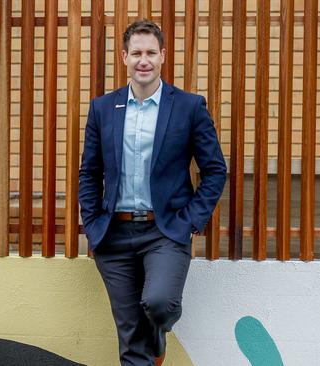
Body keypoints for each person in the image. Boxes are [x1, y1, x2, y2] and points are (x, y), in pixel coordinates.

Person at [79, 20, 226, 365]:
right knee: (131, 342)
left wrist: (191, 219)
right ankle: (147, 344)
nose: (142, 60)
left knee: (159, 304)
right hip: (114, 234)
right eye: (136, 53)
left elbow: (215, 170)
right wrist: (92, 219)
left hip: (165, 230)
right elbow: (90, 171)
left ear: (162, 56)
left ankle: (158, 333)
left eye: (150, 53)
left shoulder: (188, 107)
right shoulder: (103, 108)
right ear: (124, 58)